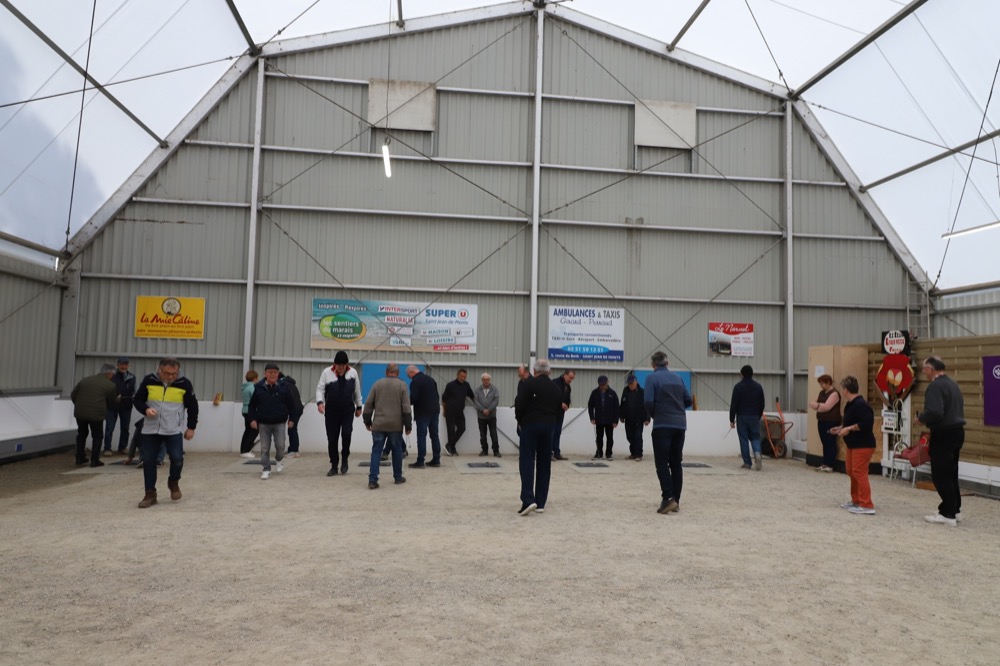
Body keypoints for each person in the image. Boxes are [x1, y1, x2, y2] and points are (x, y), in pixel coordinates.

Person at [133, 358, 198, 508]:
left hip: (173, 429)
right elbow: (137, 400)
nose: (171, 377)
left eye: (174, 374)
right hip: (150, 429)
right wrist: (145, 409)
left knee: (177, 459)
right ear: (159, 370)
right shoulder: (149, 380)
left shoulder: (184, 383)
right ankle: (150, 494)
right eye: (167, 373)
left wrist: (191, 427)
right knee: (149, 461)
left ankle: (173, 481)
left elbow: (193, 406)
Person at [917, 356, 966, 527]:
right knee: (951, 472)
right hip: (957, 432)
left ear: (930, 369)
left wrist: (921, 418)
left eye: (924, 368)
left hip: (943, 433)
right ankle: (955, 509)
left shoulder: (935, 386)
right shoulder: (953, 384)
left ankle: (948, 514)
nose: (923, 372)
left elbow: (935, 411)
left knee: (940, 474)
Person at [644, 351, 692, 514]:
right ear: (667, 363)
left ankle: (668, 498)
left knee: (662, 462)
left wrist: (655, 414)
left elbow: (648, 402)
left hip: (662, 425)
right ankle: (676, 500)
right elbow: (688, 400)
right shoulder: (678, 378)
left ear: (653, 364)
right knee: (676, 463)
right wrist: (676, 408)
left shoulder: (652, 378)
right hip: (680, 425)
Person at [514, 359, 563, 516]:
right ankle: (541, 502)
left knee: (527, 460)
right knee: (544, 463)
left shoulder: (528, 384)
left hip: (530, 425)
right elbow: (559, 409)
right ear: (549, 371)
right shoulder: (555, 387)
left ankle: (528, 499)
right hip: (549, 427)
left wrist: (520, 421)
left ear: (534, 371)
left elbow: (519, 404)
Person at [830, 375, 876, 516]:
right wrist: (841, 428)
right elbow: (850, 422)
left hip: (863, 444)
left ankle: (867, 504)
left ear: (846, 390)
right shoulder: (850, 404)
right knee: (851, 471)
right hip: (853, 444)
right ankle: (856, 500)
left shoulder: (861, 404)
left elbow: (866, 423)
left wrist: (849, 429)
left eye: (842, 388)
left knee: (859, 472)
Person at [362, 363, 412, 489]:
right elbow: (406, 407)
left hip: (379, 424)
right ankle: (398, 477)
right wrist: (408, 425)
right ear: (398, 373)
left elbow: (368, 404)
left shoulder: (377, 384)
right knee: (397, 451)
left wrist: (367, 421)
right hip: (395, 425)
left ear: (386, 372)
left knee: (376, 452)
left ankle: (373, 480)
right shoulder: (402, 385)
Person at [316, 351, 363, 476]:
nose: (341, 367)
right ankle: (334, 465)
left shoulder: (353, 373)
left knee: (347, 434)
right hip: (331, 411)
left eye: (343, 365)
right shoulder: (326, 373)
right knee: (332, 438)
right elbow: (320, 389)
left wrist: (359, 406)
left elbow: (357, 390)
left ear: (346, 364)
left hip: (347, 410)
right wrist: (320, 402)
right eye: (338, 365)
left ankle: (345, 458)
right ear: (334, 364)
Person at [248, 362, 297, 480]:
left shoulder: (284, 387)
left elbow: (291, 404)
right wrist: (252, 419)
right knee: (265, 448)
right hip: (263, 423)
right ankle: (266, 469)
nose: (273, 374)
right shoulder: (258, 387)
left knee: (280, 446)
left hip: (280, 422)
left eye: (275, 372)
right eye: (270, 372)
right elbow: (252, 405)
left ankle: (279, 459)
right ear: (265, 374)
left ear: (278, 374)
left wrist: (292, 419)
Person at [71, 364, 119, 467]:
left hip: (80, 413)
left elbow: (73, 395)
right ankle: (94, 460)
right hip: (96, 414)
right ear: (109, 373)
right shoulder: (110, 385)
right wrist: (119, 399)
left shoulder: (85, 380)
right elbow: (112, 402)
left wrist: (79, 405)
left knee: (81, 434)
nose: (112, 377)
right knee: (97, 435)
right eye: (112, 375)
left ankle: (79, 458)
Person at [729, 365, 766, 471]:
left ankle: (747, 463)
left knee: (743, 438)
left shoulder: (738, 387)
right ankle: (757, 453)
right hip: (754, 416)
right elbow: (762, 404)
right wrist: (758, 415)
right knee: (755, 437)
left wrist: (732, 419)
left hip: (742, 416)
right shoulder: (758, 387)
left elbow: (734, 405)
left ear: (741, 374)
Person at [406, 365, 442, 468]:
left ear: (412, 372)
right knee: (434, 435)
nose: (409, 377)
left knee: (421, 436)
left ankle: (420, 461)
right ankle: (436, 459)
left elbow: (414, 398)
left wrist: (406, 402)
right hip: (434, 410)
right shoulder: (431, 379)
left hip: (422, 412)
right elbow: (437, 395)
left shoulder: (415, 382)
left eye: (408, 375)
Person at [808, 374, 841, 472]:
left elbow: (826, 407)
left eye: (822, 383)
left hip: (831, 421)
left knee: (830, 442)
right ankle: (824, 463)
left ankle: (830, 464)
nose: (821, 386)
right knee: (824, 442)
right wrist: (818, 405)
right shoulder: (821, 393)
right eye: (820, 383)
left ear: (828, 382)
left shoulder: (834, 394)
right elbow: (813, 403)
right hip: (821, 420)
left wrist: (817, 406)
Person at [104, 357, 135, 454]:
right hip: (112, 406)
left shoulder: (132, 377)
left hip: (126, 406)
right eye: (121, 364)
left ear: (128, 365)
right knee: (109, 428)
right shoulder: (112, 376)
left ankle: (122, 447)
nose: (123, 366)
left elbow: (133, 391)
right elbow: (106, 390)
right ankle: (107, 448)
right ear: (117, 365)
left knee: (125, 428)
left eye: (125, 364)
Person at [441, 368, 474, 456]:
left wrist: (479, 405)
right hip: (450, 411)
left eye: (465, 377)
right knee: (451, 430)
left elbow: (472, 396)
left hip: (460, 411)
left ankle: (449, 445)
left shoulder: (466, 385)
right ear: (457, 375)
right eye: (462, 376)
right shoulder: (450, 385)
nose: (463, 378)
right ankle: (452, 448)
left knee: (462, 428)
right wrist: (444, 410)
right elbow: (444, 399)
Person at [587, 375, 620, 460]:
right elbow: (590, 406)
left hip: (610, 420)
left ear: (607, 383)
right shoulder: (594, 393)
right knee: (599, 438)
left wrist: (615, 420)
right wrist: (592, 417)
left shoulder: (612, 393)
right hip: (599, 419)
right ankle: (599, 453)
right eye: (601, 384)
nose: (602, 386)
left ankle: (609, 454)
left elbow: (617, 407)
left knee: (610, 438)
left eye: (604, 384)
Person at [619, 373, 649, 461]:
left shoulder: (642, 392)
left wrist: (647, 418)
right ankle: (633, 453)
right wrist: (621, 416)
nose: (630, 385)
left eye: (631, 383)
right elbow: (622, 404)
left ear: (636, 382)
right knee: (629, 436)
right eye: (629, 384)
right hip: (628, 418)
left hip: (639, 419)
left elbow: (647, 406)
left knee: (638, 436)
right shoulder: (625, 391)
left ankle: (638, 454)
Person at [474, 372, 501, 457]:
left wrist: (489, 410)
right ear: (482, 380)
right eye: (484, 379)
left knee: (493, 434)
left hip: (491, 416)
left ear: (490, 380)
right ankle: (484, 450)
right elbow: (476, 401)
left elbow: (496, 401)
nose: (486, 381)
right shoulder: (477, 390)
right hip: (481, 416)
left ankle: (496, 451)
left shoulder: (495, 389)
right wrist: (483, 410)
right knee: (482, 434)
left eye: (487, 379)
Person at [551, 369, 575, 461]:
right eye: (570, 377)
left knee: (558, 432)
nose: (571, 380)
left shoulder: (568, 387)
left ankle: (556, 452)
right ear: (565, 375)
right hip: (553, 412)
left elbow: (567, 399)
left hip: (561, 413)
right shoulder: (555, 383)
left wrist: (567, 405)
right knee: (551, 432)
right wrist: (560, 404)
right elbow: (551, 397)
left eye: (572, 378)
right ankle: (549, 453)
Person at [281, 374, 305, 458]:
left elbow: (292, 403)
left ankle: (294, 451)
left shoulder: (286, 386)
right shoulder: (290, 385)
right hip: (296, 409)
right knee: (292, 429)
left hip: (295, 410)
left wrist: (292, 418)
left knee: (292, 429)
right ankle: (291, 449)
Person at [239, 369, 259, 458]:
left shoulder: (245, 387)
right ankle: (246, 450)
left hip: (245, 410)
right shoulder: (253, 387)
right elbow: (256, 399)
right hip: (251, 411)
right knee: (254, 430)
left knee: (247, 430)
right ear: (255, 378)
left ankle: (243, 450)